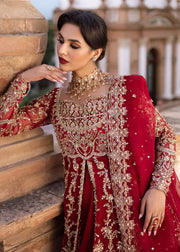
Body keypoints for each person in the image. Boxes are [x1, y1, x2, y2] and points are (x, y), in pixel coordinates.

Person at [0, 9, 180, 252]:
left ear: (95, 52)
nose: (62, 51)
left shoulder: (127, 90)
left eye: (74, 45)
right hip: (82, 215)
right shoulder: (56, 100)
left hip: (135, 209)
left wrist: (158, 189)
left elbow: (166, 136)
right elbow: (5, 124)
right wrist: (23, 80)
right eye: (61, 40)